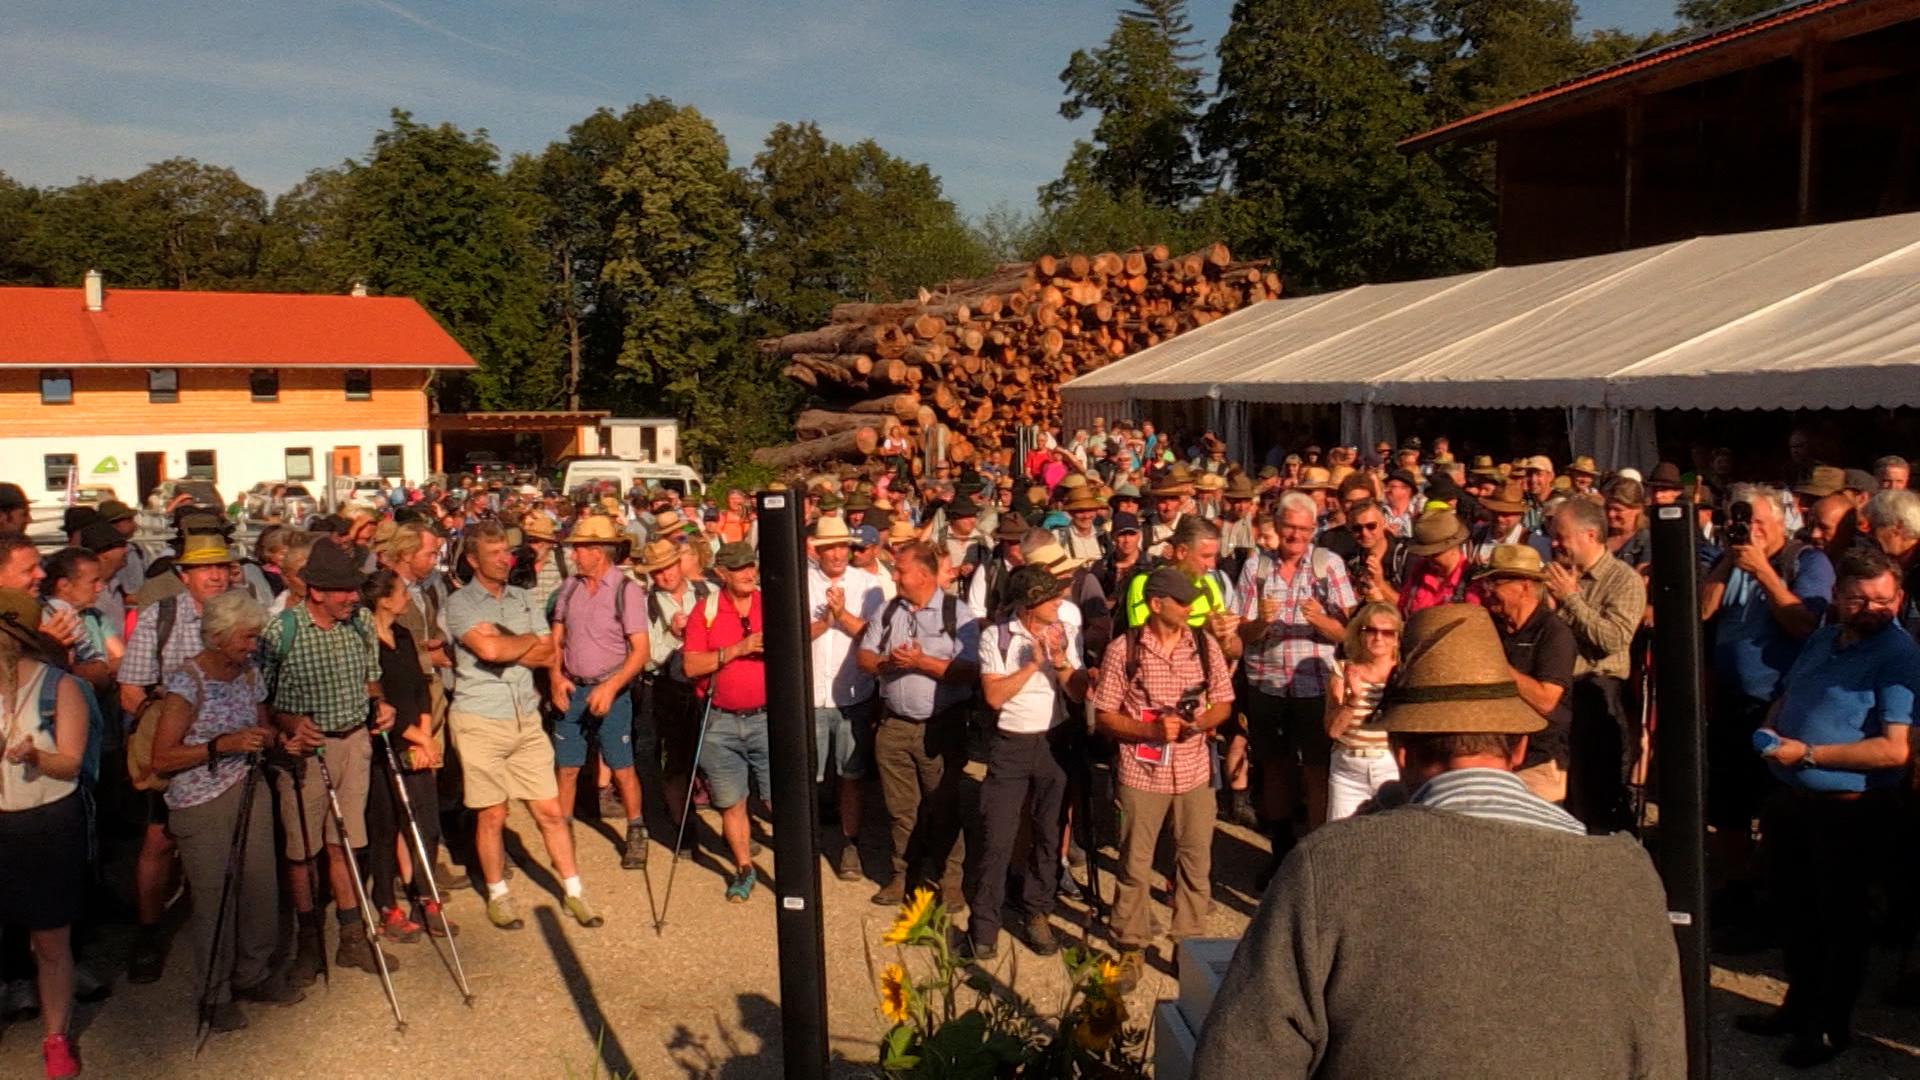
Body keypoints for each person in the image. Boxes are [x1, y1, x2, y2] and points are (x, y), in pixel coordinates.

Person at [1192, 604, 1685, 1079]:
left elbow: (1240, 1060)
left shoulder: (1331, 866)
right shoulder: (1629, 875)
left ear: (1400, 751)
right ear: (1517, 748)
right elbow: (1660, 1062)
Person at [1744, 548, 1918, 1067]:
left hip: (1851, 808)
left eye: (1883, 600)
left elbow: (1895, 749)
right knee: (1792, 911)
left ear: (1900, 598)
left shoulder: (1899, 655)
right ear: (1838, 597)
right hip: (1793, 799)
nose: (1871, 608)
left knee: (1839, 922)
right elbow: (1791, 691)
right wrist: (1774, 727)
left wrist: (1812, 753)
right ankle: (1797, 1006)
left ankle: (1830, 1026)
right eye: (1859, 599)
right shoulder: (1823, 635)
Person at [149, 591, 302, 1033]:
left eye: (254, 637)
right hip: (200, 800)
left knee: (260, 888)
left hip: (249, 787)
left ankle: (252, 974)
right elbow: (162, 758)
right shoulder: (187, 682)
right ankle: (212, 993)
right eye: (246, 637)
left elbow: (263, 724)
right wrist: (222, 745)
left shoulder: (248, 672)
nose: (252, 646)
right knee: (216, 897)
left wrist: (277, 739)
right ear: (217, 637)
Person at [445, 521, 601, 930]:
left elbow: (549, 649)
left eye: (506, 552)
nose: (505, 559)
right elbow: (489, 650)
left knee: (549, 810)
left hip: (525, 716)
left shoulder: (523, 596)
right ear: (473, 560)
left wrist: (507, 645)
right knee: (492, 815)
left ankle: (574, 891)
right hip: (480, 717)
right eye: (495, 554)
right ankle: (498, 894)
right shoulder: (461, 604)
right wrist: (519, 645)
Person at [1699, 484, 1833, 940]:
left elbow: (1805, 623)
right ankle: (1738, 890)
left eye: (1759, 522)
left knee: (1774, 808)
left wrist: (1764, 572)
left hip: (1778, 705)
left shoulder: (1806, 561)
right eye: (1742, 520)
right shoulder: (1731, 559)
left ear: (1781, 522)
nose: (1750, 531)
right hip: (1730, 702)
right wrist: (1727, 561)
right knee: (1729, 805)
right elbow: (1698, 612)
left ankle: (1774, 900)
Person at [1094, 567, 1235, 993]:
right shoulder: (1125, 650)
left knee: (1195, 860)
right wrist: (1150, 732)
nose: (1191, 607)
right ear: (1157, 604)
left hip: (1193, 769)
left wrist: (1200, 721)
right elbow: (1104, 714)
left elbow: (1224, 702)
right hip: (1142, 770)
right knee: (1135, 862)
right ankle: (1132, 944)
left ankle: (1187, 942)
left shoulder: (1205, 646)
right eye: (1182, 601)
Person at [263, 540, 400, 973]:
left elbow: (371, 677)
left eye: (354, 588)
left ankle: (351, 936)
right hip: (305, 752)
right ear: (316, 591)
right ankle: (307, 941)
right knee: (302, 852)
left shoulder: (359, 623)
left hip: (354, 742)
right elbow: (259, 699)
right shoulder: (281, 631)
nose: (354, 597)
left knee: (344, 843)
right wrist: (287, 726)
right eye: (343, 590)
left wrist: (380, 704)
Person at [117, 533, 236, 986]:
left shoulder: (244, 614)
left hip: (232, 750)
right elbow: (132, 692)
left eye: (223, 567)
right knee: (159, 841)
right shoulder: (159, 617)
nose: (217, 575)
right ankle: (148, 933)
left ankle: (225, 925)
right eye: (206, 568)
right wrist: (174, 721)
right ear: (183, 576)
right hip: (176, 750)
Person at [966, 565, 1088, 961]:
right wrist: (1032, 665)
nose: (1061, 601)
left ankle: (1037, 912)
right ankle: (983, 925)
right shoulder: (995, 636)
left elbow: (1076, 691)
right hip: (1011, 745)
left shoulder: (1061, 632)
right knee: (997, 836)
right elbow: (994, 697)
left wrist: (1061, 661)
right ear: (1031, 604)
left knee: (1048, 835)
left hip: (1053, 742)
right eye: (1052, 597)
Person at [856, 541, 980, 909]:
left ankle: (950, 880)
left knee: (944, 804)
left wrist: (922, 662)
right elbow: (863, 655)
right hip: (893, 725)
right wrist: (887, 665)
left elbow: (970, 671)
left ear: (923, 575)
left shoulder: (958, 614)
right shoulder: (890, 609)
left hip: (941, 727)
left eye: (900, 570)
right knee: (900, 808)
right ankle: (901, 876)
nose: (894, 576)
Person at [1236, 497, 1357, 872]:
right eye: (1290, 527)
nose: (1296, 536)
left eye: (1305, 529)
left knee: (1317, 768)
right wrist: (1261, 624)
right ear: (1276, 524)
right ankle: (1282, 852)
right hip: (1266, 683)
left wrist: (1320, 620)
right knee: (1273, 767)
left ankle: (1316, 856)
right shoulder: (1256, 568)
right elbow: (1243, 634)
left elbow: (1350, 633)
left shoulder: (1328, 566)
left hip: (1316, 686)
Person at [0, 589, 91, 1078]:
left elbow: (71, 761)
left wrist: (35, 755)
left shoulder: (59, 687)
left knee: (51, 941)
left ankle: (55, 1038)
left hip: (45, 823)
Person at [548, 516, 651, 869]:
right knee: (567, 767)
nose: (574, 555)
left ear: (598, 552)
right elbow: (556, 638)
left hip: (612, 688)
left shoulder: (627, 590)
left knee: (622, 766)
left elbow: (640, 650)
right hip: (572, 686)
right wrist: (554, 676)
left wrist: (611, 686)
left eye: (579, 547)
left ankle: (636, 829)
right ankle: (562, 833)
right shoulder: (569, 588)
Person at [360, 568, 454, 941]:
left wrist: (426, 734)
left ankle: (425, 895)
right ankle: (387, 904)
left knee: (426, 824)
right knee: (386, 827)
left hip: (417, 740)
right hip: (386, 743)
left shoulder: (401, 635)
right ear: (384, 598)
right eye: (400, 591)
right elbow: (377, 702)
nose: (406, 596)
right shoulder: (364, 641)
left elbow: (418, 686)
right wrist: (416, 735)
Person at [1545, 498, 1647, 833]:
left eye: (1562, 536)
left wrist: (1571, 598)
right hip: (1557, 695)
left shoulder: (1623, 580)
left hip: (1598, 693)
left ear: (1590, 535)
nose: (1555, 543)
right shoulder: (1556, 575)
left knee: (1598, 798)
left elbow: (1613, 640)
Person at [682, 541, 771, 902]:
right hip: (719, 722)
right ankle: (744, 868)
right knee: (730, 802)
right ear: (721, 574)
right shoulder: (705, 612)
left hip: (767, 719)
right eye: (739, 568)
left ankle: (799, 872)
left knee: (778, 798)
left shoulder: (771, 604)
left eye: (751, 565)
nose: (749, 573)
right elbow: (691, 666)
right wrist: (739, 648)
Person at [807, 517, 886, 881]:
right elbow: (790, 632)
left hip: (853, 693)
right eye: (830, 547)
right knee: (810, 775)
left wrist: (842, 616)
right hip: (812, 695)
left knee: (851, 774)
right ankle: (806, 843)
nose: (837, 554)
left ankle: (848, 843)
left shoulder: (869, 586)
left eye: (843, 547)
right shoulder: (802, 581)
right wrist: (826, 622)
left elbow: (875, 636)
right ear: (817, 549)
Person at [1478, 544, 1577, 803]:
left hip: (1539, 763)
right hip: (1495, 759)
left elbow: (1546, 700)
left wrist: (1498, 667)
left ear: (1524, 586)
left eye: (1496, 582)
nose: (1488, 591)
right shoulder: (1491, 627)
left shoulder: (1554, 633)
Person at [636, 538, 708, 831]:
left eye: (668, 567)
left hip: (707, 685)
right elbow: (648, 660)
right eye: (657, 572)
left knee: (713, 754)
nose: (664, 575)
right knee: (675, 759)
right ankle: (683, 824)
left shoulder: (708, 592)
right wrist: (673, 634)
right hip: (668, 689)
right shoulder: (646, 605)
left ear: (680, 564)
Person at [1321, 603, 1400, 821]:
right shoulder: (1342, 670)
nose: (1378, 638)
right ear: (1359, 633)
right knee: (1340, 842)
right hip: (1348, 769)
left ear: (1396, 638)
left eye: (1387, 632)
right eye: (1371, 630)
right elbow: (1333, 731)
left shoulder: (1404, 673)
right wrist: (1352, 700)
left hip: (1390, 766)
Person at [1397, 509, 1477, 616]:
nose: (1429, 558)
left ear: (1453, 546)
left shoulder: (1472, 581)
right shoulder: (1419, 571)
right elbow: (1401, 608)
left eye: (1435, 553)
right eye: (1425, 554)